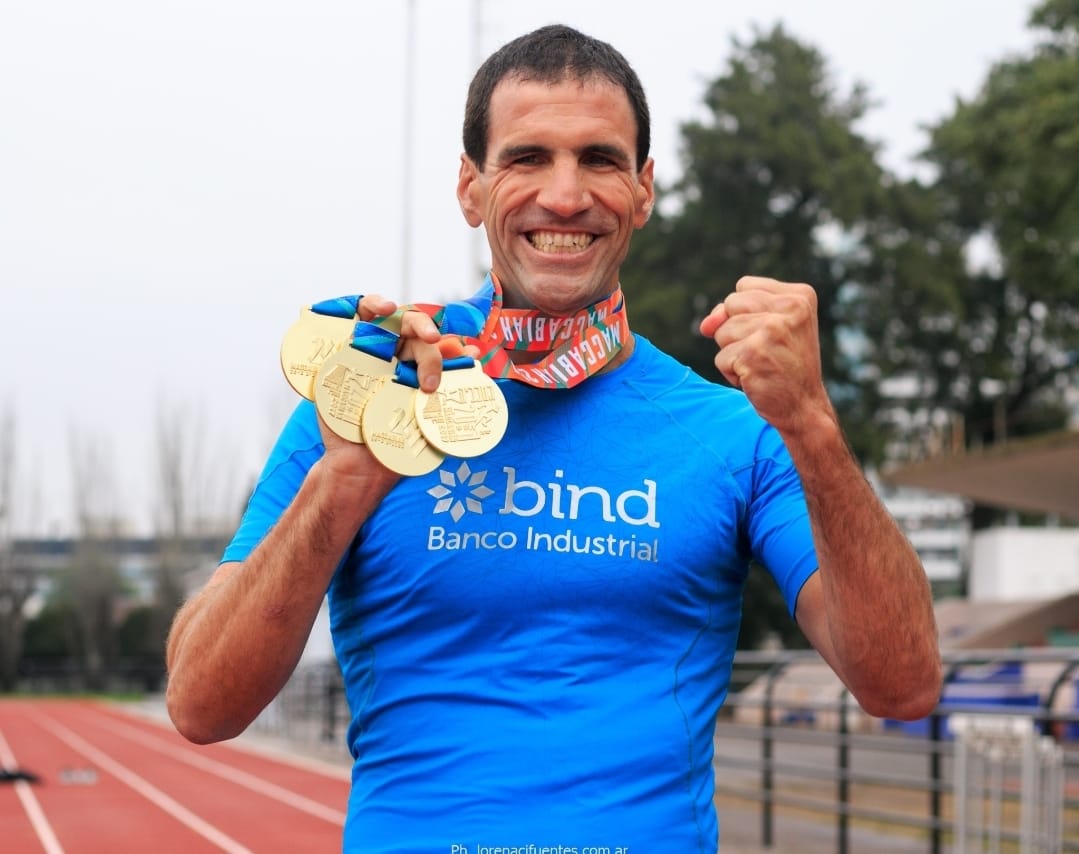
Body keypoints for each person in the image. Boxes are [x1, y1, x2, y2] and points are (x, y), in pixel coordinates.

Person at [166, 24, 942, 853]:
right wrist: (340, 489)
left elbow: (900, 684)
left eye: (600, 160)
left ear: (644, 190)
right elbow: (202, 706)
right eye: (527, 158)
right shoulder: (369, 397)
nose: (565, 197)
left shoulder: (735, 431)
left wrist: (814, 426)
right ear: (471, 186)